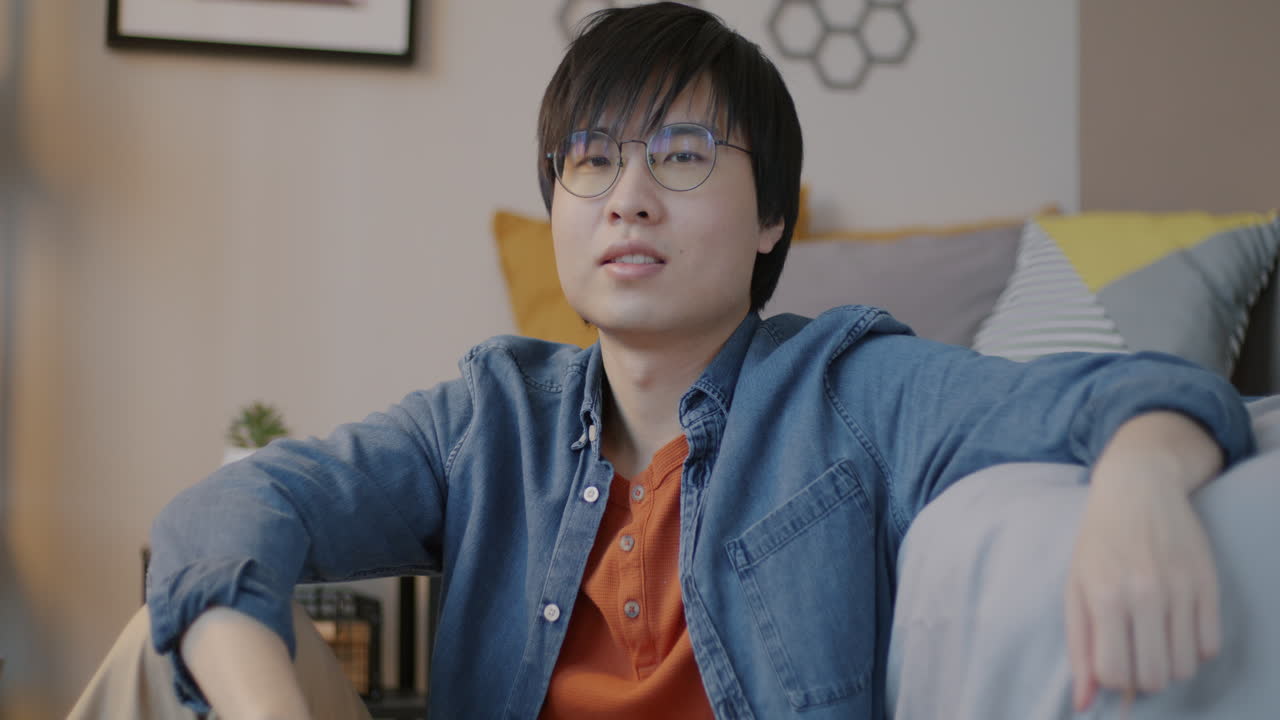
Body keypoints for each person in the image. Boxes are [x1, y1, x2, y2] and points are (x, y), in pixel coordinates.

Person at [71, 4, 1255, 719]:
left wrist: (1141, 481)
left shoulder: (852, 389)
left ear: (771, 217)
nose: (627, 197)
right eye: (590, 161)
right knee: (158, 656)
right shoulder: (490, 416)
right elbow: (231, 510)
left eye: (682, 156)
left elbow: (1133, 394)